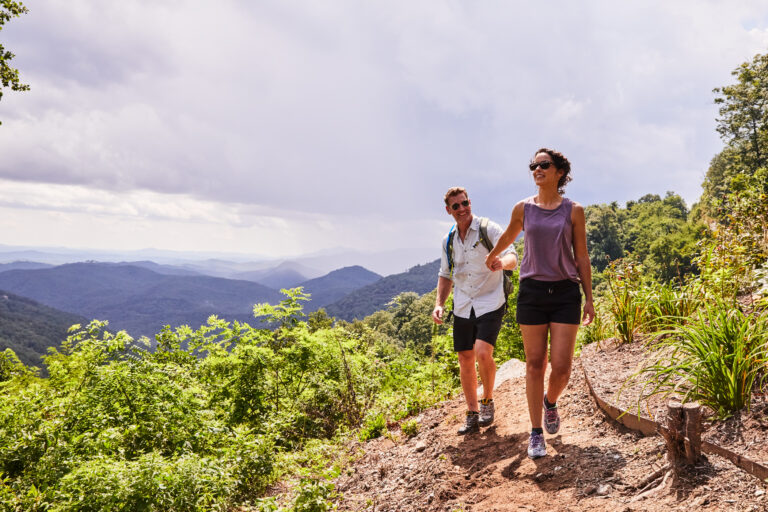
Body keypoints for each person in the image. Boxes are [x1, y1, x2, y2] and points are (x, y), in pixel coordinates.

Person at [485, 148, 594, 458]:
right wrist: (493, 256)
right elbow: (508, 236)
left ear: (559, 172)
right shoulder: (523, 208)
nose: (537, 169)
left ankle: (550, 401)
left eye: (543, 164)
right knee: (535, 364)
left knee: (561, 368)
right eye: (533, 165)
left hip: (565, 292)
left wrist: (589, 298)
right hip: (532, 291)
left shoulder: (574, 211)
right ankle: (535, 433)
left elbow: (581, 255)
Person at [432, 186, 518, 434]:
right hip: (462, 304)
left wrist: (502, 263)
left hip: (491, 300)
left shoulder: (487, 228)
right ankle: (471, 412)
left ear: (470, 202)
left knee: (482, 352)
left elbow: (513, 254)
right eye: (456, 206)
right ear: (448, 210)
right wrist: (439, 304)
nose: (462, 209)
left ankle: (487, 400)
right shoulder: (448, 240)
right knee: (465, 359)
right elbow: (445, 274)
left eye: (465, 203)